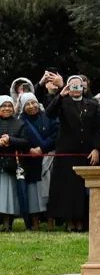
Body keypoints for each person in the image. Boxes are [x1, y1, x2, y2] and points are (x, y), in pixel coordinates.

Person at [46, 76, 100, 232]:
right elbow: (49, 113)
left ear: (84, 88)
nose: (76, 89)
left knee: (82, 189)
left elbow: (96, 128)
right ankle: (69, 221)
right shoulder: (63, 102)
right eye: (73, 86)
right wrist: (60, 95)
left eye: (79, 86)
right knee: (67, 188)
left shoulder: (92, 104)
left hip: (85, 153)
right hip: (66, 152)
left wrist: (96, 148)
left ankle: (82, 221)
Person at [19, 93, 59, 231]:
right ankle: (35, 223)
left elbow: (56, 133)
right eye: (27, 104)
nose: (31, 106)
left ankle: (50, 222)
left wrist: (42, 148)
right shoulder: (21, 121)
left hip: (48, 159)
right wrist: (29, 149)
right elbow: (19, 137)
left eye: (33, 103)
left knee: (49, 191)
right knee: (33, 193)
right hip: (30, 161)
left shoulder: (48, 116)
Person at [0, 95, 28, 231]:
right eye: (3, 106)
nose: (7, 108)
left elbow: (25, 142)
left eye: (9, 106)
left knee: (8, 196)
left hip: (11, 165)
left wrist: (10, 140)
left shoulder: (19, 123)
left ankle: (7, 224)